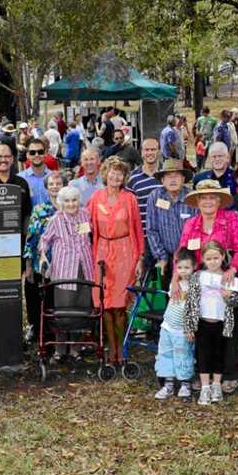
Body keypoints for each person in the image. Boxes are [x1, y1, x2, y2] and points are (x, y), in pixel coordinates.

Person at [178, 178, 238, 393]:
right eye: (204, 198)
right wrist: (177, 279)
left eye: (212, 197)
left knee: (228, 329)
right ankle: (204, 374)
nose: (208, 201)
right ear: (198, 201)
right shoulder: (191, 224)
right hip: (201, 286)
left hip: (226, 282)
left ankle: (228, 373)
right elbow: (182, 254)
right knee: (202, 332)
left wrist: (233, 269)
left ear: (219, 200)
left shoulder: (231, 219)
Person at [89, 157, 145, 366]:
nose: (115, 176)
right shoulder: (96, 198)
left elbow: (138, 229)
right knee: (106, 304)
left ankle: (121, 350)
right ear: (105, 174)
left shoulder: (130, 199)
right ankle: (110, 349)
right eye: (112, 172)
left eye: (119, 173)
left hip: (124, 252)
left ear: (124, 178)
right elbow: (88, 226)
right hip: (103, 252)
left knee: (120, 305)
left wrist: (140, 257)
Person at [184, 241, 238, 406]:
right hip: (203, 322)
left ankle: (216, 384)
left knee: (219, 354)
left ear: (223, 257)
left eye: (216, 258)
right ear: (203, 259)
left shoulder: (229, 277)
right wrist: (189, 326)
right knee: (203, 354)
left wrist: (228, 297)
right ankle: (205, 387)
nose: (213, 262)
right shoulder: (197, 277)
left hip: (221, 323)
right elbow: (189, 303)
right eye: (208, 258)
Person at [39, 185, 95, 360]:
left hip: (84, 268)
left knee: (82, 307)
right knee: (64, 310)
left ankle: (75, 348)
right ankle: (60, 349)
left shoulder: (85, 214)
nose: (71, 204)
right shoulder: (56, 219)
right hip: (64, 269)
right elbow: (44, 240)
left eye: (74, 200)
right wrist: (42, 256)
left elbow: (91, 235)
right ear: (61, 203)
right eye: (67, 201)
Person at [23, 171, 66, 346]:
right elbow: (31, 237)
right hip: (43, 264)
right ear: (47, 188)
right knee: (42, 300)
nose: (55, 186)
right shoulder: (39, 209)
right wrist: (27, 264)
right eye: (52, 184)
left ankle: (60, 338)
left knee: (60, 302)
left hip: (65, 264)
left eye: (58, 183)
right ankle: (42, 335)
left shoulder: (72, 207)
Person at [153, 248, 196, 400]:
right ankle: (169, 384)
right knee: (166, 354)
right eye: (180, 268)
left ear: (194, 267)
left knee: (183, 355)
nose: (183, 271)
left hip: (182, 330)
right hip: (168, 326)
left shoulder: (194, 287)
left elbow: (193, 310)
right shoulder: (174, 284)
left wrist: (190, 328)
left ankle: (185, 384)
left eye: (187, 267)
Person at [145, 159, 197, 286]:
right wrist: (162, 257)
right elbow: (151, 230)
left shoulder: (192, 198)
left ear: (184, 179)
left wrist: (187, 258)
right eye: (168, 176)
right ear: (162, 180)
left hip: (187, 258)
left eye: (177, 175)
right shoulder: (155, 196)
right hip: (164, 255)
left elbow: (197, 231)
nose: (173, 179)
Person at [18, 137, 52, 206]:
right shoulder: (19, 179)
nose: (37, 155)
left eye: (40, 152)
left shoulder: (54, 177)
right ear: (27, 155)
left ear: (45, 153)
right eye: (32, 152)